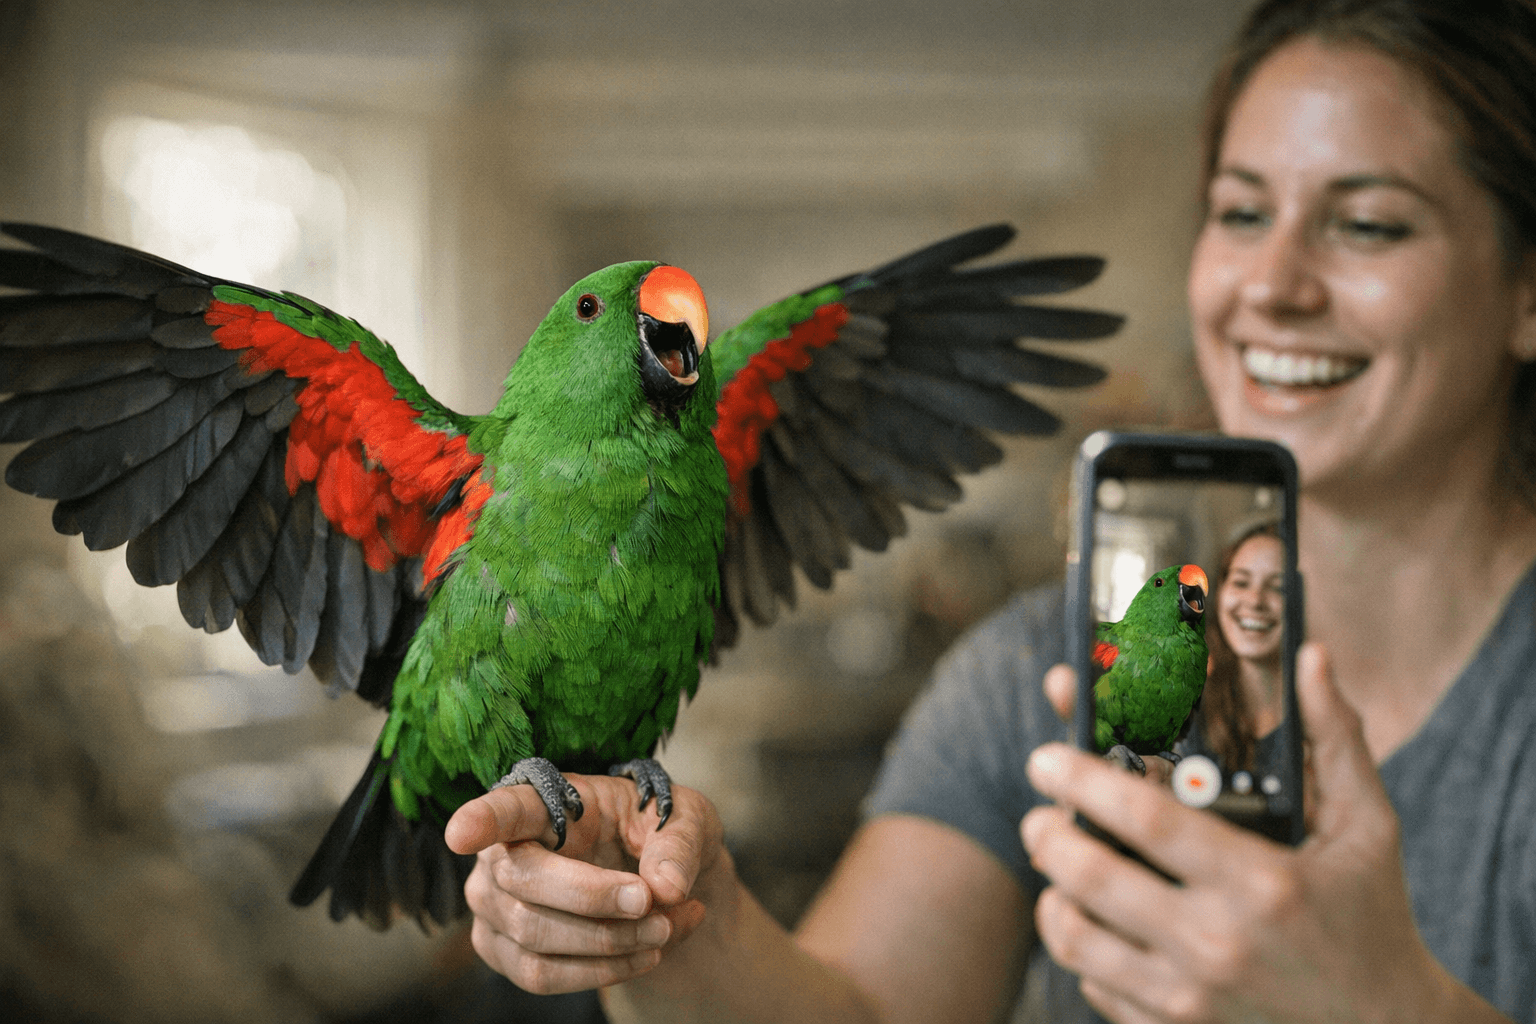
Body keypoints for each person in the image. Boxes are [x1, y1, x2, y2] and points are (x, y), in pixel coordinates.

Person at [444, 0, 1536, 1020]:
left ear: (1527, 289)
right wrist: (672, 917)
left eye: (1370, 225)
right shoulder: (1038, 675)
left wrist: (1398, 1006)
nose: (1272, 283)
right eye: (1242, 212)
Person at [1195, 522, 1286, 774]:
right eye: (1241, 582)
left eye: (1278, 587)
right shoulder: (1187, 713)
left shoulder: (1325, 720)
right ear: (1220, 593)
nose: (1255, 600)